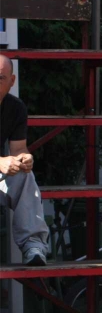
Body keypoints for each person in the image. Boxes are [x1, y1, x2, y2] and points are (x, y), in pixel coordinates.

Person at [0, 54, 49, 266]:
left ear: (12, 81)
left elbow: (18, 148)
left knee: (23, 173)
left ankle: (33, 245)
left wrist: (24, 158)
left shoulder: (15, 108)